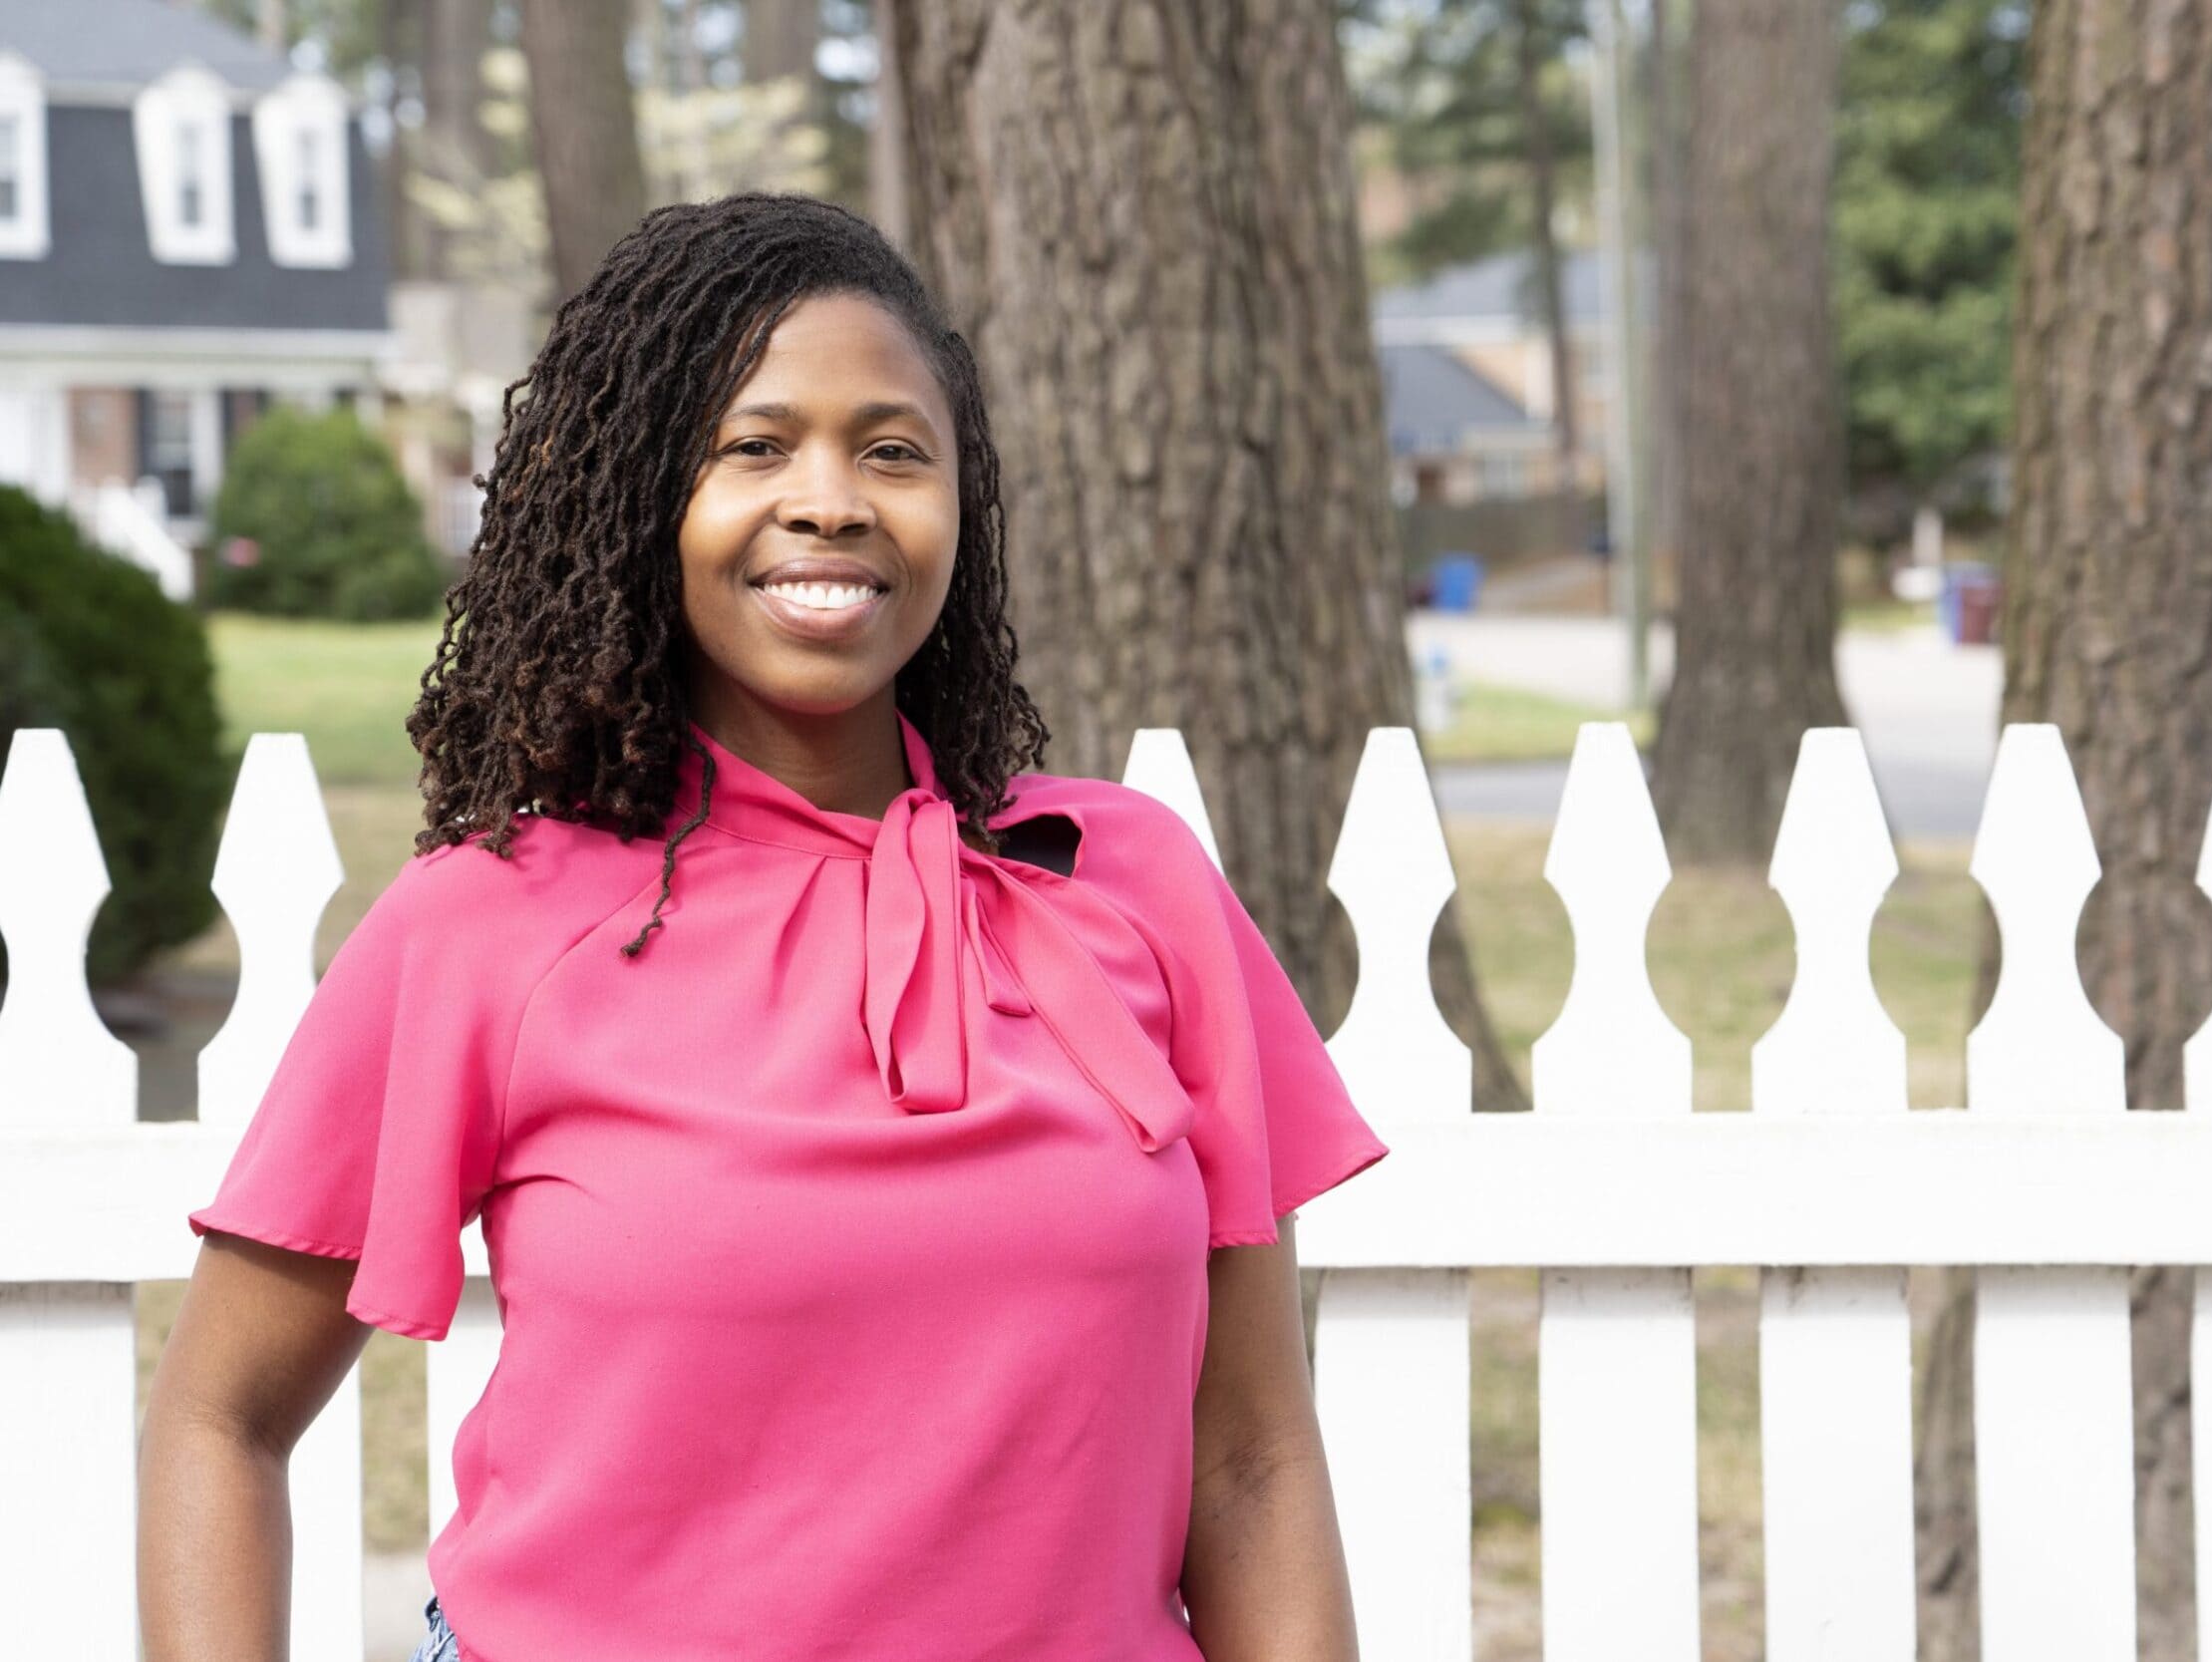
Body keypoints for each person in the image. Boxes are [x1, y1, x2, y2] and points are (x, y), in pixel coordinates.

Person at [136, 192, 1391, 1662]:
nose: (832, 498)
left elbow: (1251, 1463)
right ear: (639, 498)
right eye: (754, 445)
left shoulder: (1129, 881)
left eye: (892, 450)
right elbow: (219, 1420)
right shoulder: (495, 923)